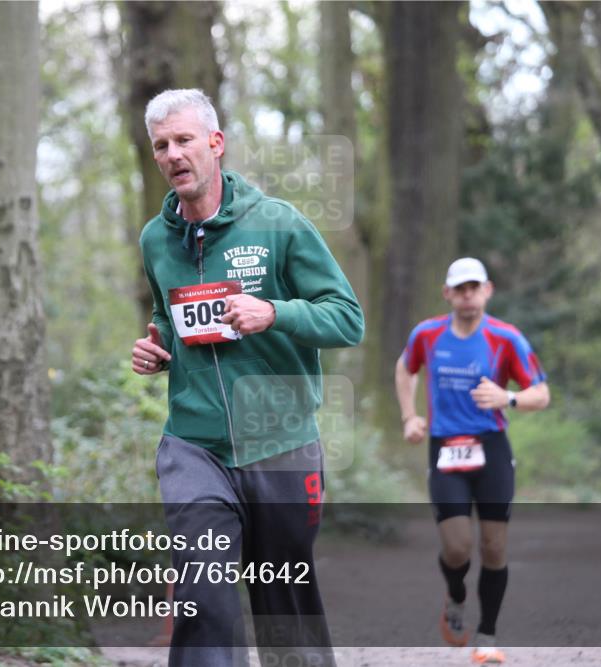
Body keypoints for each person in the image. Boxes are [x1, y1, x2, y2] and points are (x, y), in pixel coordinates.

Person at [130, 88, 364, 667]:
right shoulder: (156, 240)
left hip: (280, 441)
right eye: (161, 145)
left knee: (283, 601)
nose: (172, 154)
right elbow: (167, 315)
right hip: (194, 443)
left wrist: (274, 312)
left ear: (215, 143)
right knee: (203, 595)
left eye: (184, 140)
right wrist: (155, 348)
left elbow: (347, 319)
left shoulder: (279, 224)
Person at [394, 257, 549, 665]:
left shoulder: (506, 338)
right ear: (447, 293)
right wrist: (410, 417)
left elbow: (541, 393)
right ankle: (457, 594)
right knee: (458, 547)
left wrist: (508, 398)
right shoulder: (427, 335)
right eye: (459, 288)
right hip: (446, 447)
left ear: (487, 290)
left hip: (492, 448)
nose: (467, 295)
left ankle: (488, 635)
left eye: (474, 287)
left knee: (494, 547)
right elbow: (405, 368)